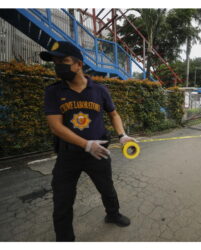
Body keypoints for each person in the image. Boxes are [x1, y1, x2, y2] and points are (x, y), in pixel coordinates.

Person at [40, 41, 136, 241]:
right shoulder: (53, 91)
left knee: (107, 188)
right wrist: (85, 144)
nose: (58, 65)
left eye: (63, 61)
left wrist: (122, 135)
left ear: (78, 65)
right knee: (62, 201)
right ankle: (65, 240)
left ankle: (112, 214)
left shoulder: (100, 90)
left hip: (99, 152)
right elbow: (55, 126)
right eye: (55, 61)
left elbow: (114, 114)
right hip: (68, 155)